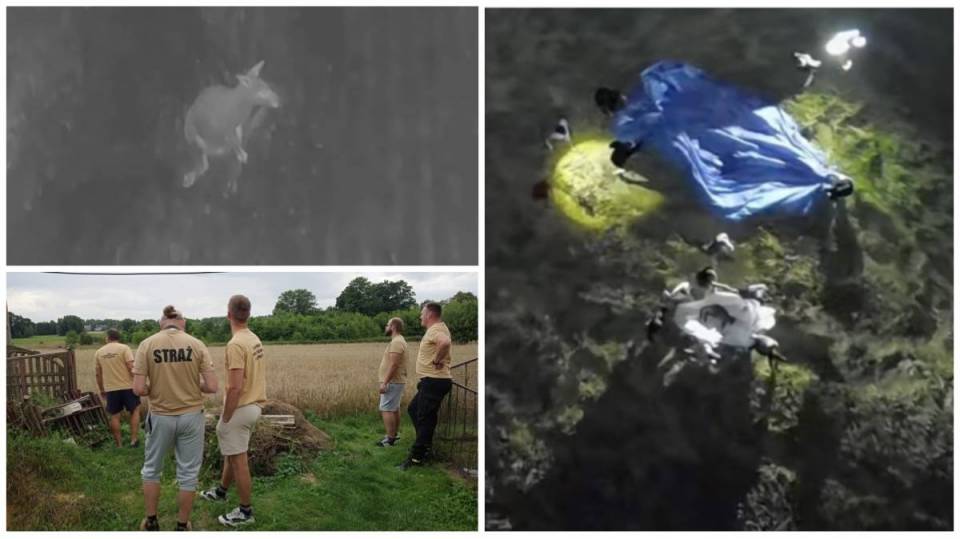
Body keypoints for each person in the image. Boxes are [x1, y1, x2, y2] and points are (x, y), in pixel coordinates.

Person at [134, 306, 218, 532]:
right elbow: (211, 386)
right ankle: (182, 525)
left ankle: (151, 521)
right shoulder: (197, 344)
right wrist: (193, 384)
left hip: (160, 416)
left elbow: (138, 388)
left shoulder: (147, 344)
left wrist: (155, 387)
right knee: (188, 473)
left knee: (151, 469)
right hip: (192, 416)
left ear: (162, 322)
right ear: (183, 323)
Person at [200, 295, 267, 528]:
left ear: (228, 314)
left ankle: (246, 511)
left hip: (240, 408)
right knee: (232, 452)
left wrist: (226, 416)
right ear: (248, 314)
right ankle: (221, 491)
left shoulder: (236, 344)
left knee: (239, 461)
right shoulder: (253, 338)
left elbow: (235, 386)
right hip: (254, 405)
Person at [399, 302, 453, 470]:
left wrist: (436, 360)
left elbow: (445, 343)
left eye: (422, 313)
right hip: (431, 381)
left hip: (434, 380)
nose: (420, 316)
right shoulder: (438, 328)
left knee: (425, 418)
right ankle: (423, 444)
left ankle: (417, 457)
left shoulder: (436, 330)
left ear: (429, 314)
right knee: (414, 410)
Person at [95, 328, 141, 447]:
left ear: (107, 338)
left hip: (111, 388)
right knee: (135, 411)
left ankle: (119, 445)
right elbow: (131, 367)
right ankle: (134, 440)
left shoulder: (99, 352)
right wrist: (138, 381)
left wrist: (101, 389)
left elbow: (98, 374)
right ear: (118, 337)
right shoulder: (124, 348)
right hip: (128, 387)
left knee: (114, 416)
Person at [375, 317, 408, 447]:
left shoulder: (397, 342)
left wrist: (385, 382)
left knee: (386, 408)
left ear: (393, 326)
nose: (385, 327)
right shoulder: (399, 340)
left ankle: (390, 439)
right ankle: (394, 435)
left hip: (392, 381)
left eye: (387, 324)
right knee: (394, 408)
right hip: (395, 381)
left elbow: (394, 364)